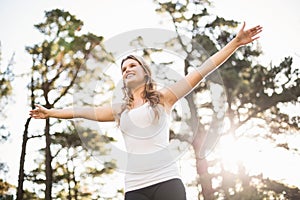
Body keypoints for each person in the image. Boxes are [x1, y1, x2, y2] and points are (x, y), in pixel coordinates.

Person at [30, 22, 262, 200]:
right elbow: (82, 110)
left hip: (166, 179)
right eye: (123, 68)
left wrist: (235, 43)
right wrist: (50, 112)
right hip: (135, 186)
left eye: (132, 65)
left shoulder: (164, 98)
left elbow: (201, 71)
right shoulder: (120, 110)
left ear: (145, 72)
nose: (127, 70)